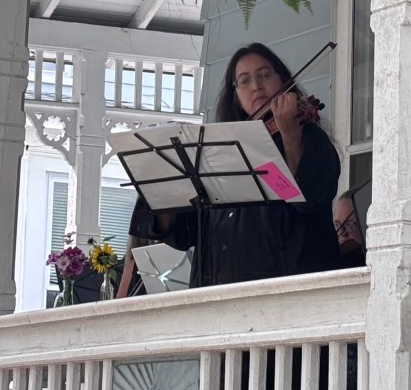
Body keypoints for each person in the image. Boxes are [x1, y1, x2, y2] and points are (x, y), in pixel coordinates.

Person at [133, 43, 340, 288]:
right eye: (244, 80)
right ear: (236, 94)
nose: (256, 86)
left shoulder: (310, 138)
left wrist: (291, 139)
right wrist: (162, 184)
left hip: (283, 290)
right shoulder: (217, 151)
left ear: (283, 80)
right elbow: (185, 233)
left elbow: (309, 199)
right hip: (215, 293)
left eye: (265, 75)